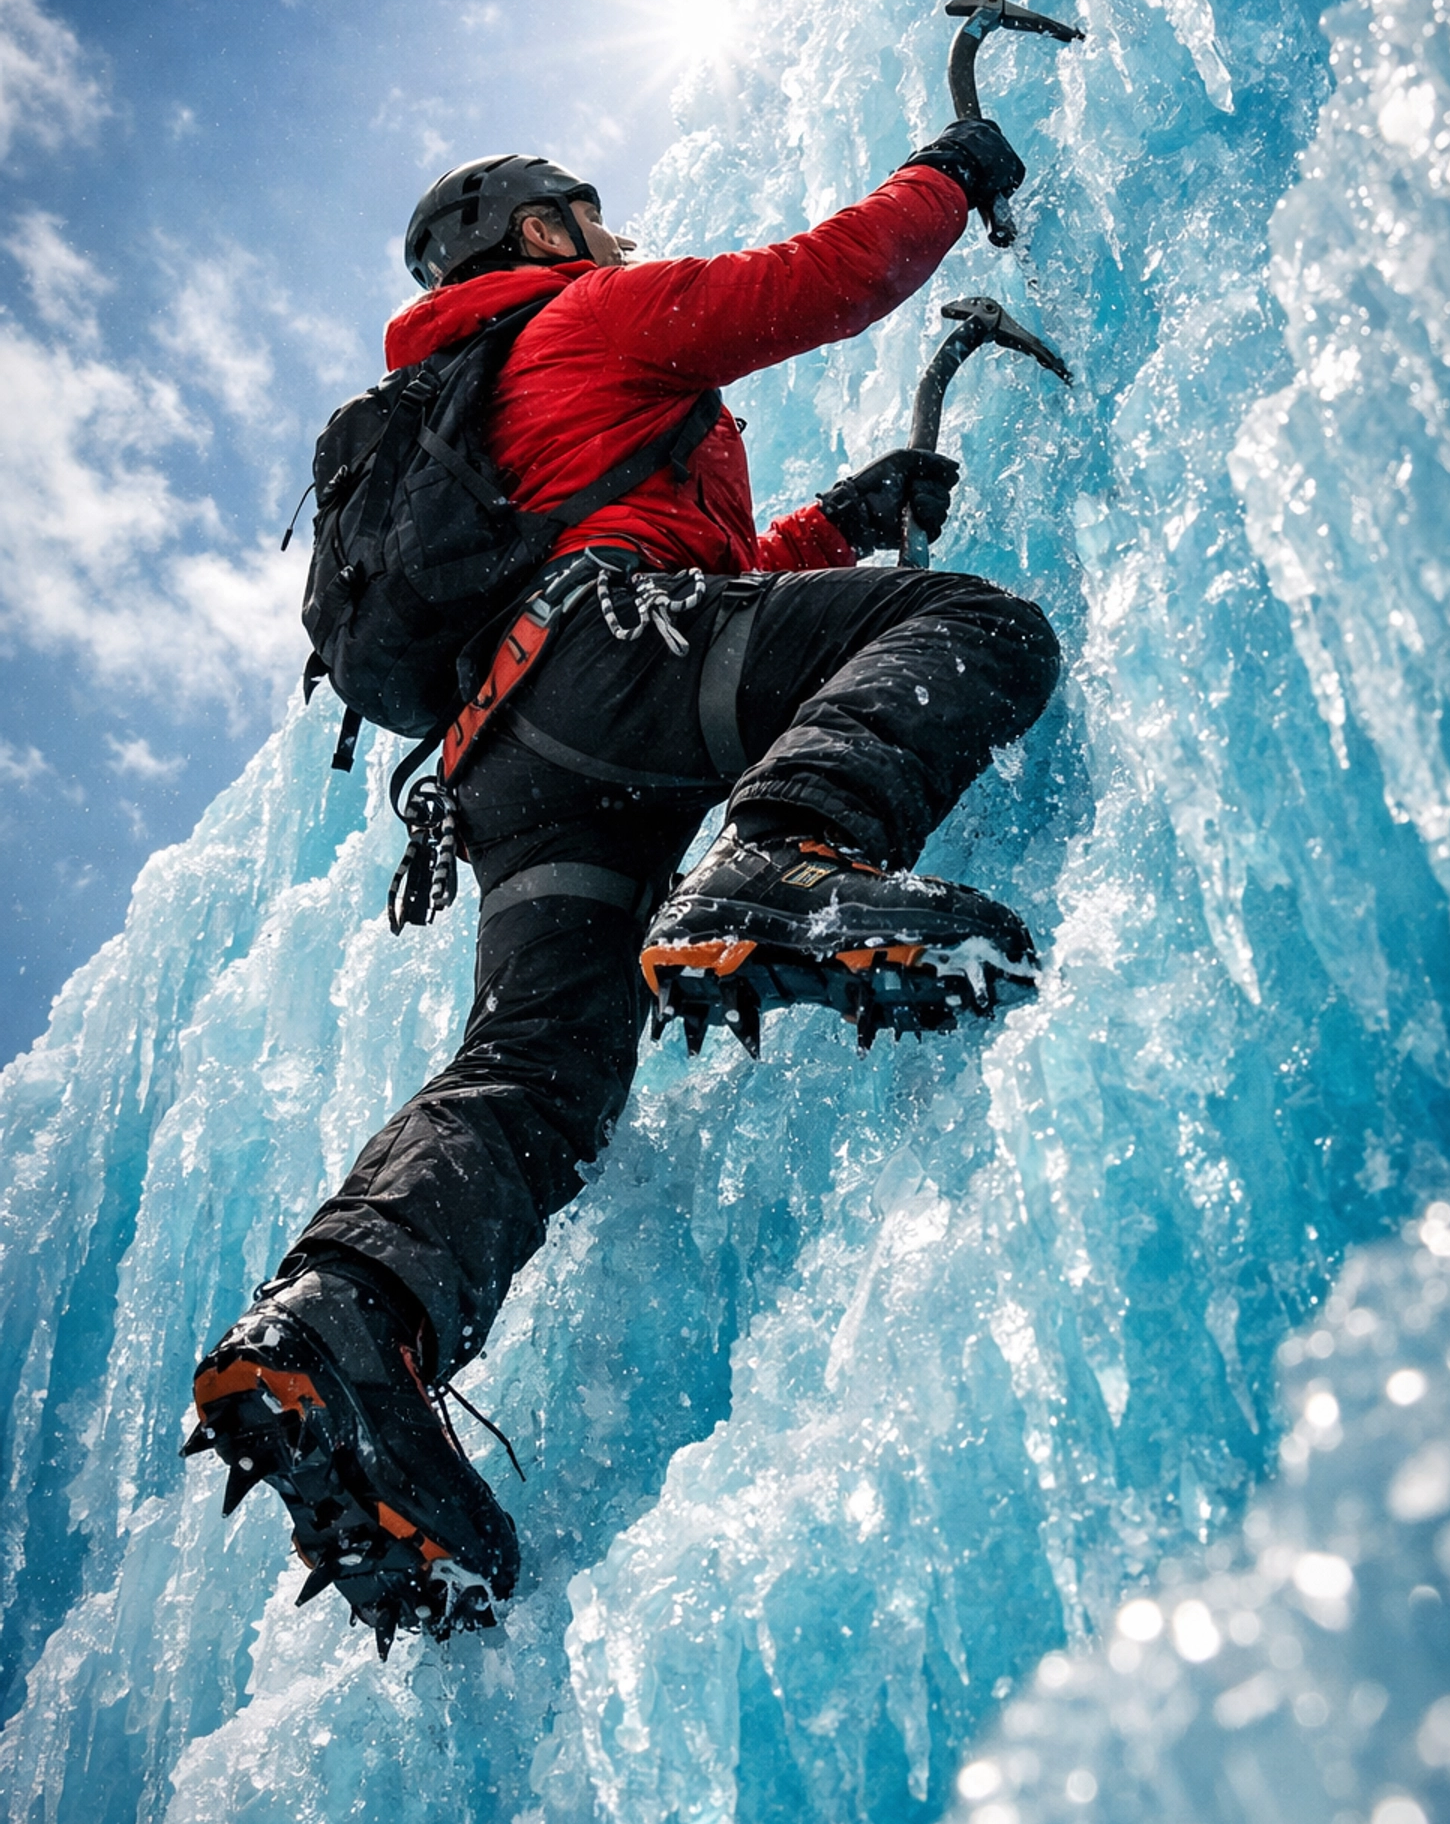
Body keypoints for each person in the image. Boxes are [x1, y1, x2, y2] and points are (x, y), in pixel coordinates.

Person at [184, 128, 1062, 1655]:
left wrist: (836, 528)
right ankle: (788, 860)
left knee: (541, 1070)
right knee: (972, 625)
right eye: (588, 217)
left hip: (517, 766)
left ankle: (346, 1318)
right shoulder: (580, 318)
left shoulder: (488, 406)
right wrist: (949, 178)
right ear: (539, 230)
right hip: (610, 662)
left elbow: (691, 565)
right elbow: (820, 284)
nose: (611, 234)